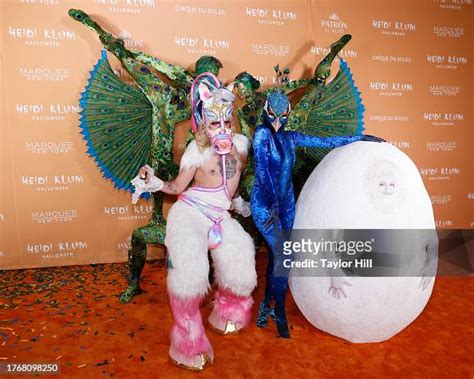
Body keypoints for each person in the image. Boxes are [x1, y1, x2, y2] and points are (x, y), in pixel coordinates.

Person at [131, 72, 257, 370]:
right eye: (215, 123)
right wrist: (153, 182)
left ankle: (227, 312)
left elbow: (232, 183)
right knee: (190, 274)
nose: (223, 128)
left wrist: (238, 203)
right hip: (190, 213)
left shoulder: (242, 145)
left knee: (241, 259)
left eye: (227, 121)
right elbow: (177, 188)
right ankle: (187, 339)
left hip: (220, 215)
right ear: (203, 124)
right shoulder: (196, 151)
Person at [251, 90, 384, 338]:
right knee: (283, 257)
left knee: (278, 259)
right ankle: (278, 310)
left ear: (289, 114)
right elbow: (263, 173)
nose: (278, 121)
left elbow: (326, 142)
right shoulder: (261, 135)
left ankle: (265, 305)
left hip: (287, 204)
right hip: (266, 205)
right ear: (265, 111)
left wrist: (360, 138)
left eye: (283, 116)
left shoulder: (291, 138)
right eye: (273, 115)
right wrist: (273, 208)